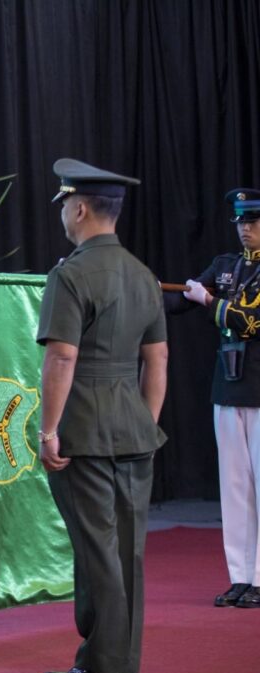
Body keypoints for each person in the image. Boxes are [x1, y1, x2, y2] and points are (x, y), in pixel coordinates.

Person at [36, 159, 168, 673]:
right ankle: (113, 663)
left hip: (83, 433)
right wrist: (142, 421)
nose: (64, 213)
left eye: (66, 204)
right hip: (133, 430)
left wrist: (48, 430)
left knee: (97, 553)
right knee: (127, 553)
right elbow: (157, 360)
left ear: (81, 208)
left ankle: (107, 670)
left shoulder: (70, 274)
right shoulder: (144, 276)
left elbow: (62, 358)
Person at [172, 188, 260, 608]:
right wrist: (131, 284)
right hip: (228, 389)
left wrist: (207, 299)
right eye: (242, 222)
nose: (246, 228)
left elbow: (248, 322)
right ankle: (240, 576)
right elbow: (179, 299)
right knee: (235, 487)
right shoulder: (225, 266)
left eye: (253, 221)